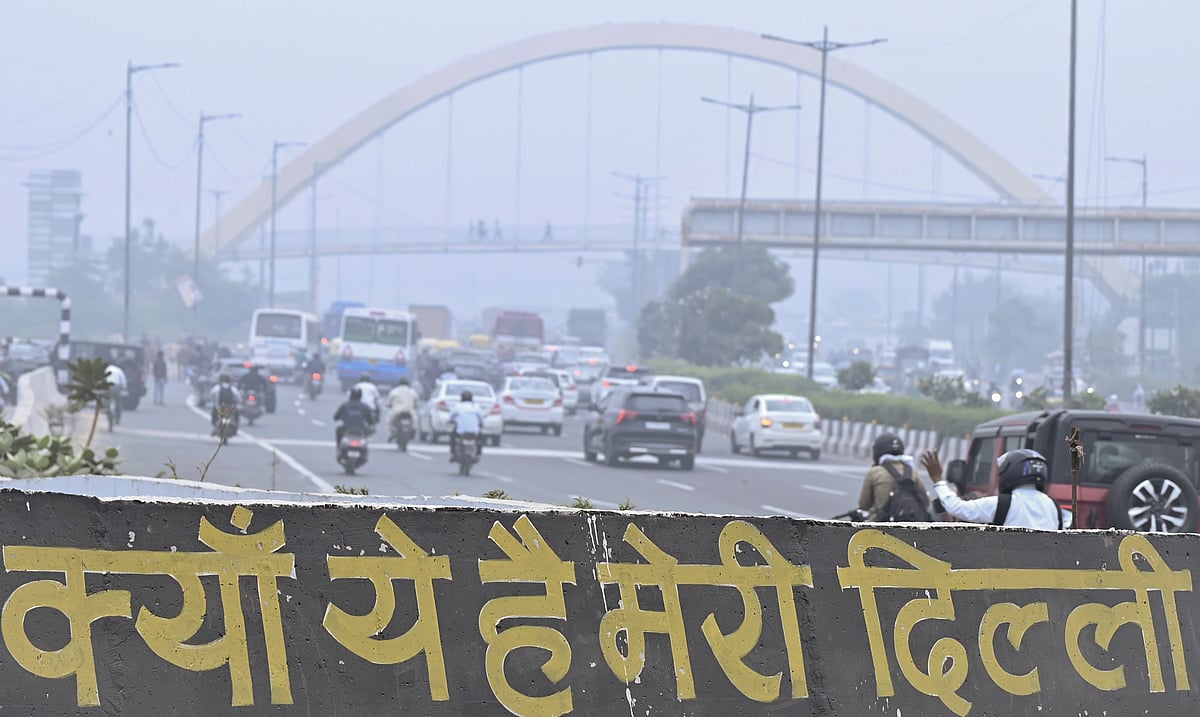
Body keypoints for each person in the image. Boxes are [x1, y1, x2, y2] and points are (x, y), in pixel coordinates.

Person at [921, 448, 1071, 530]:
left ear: (1009, 472)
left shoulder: (1002, 504)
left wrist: (938, 479)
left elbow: (956, 508)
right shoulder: (1053, 507)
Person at [857, 433, 933, 522]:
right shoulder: (912, 471)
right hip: (910, 524)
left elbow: (864, 505)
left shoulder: (875, 472)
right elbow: (926, 502)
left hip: (880, 525)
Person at [448, 390, 484, 463]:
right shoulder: (476, 406)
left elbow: (451, 416)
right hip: (474, 431)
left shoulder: (458, 406)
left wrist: (450, 421)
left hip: (461, 431)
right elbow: (481, 418)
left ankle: (453, 453)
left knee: (452, 437)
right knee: (481, 439)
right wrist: (481, 423)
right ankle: (478, 454)